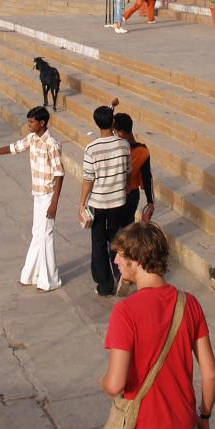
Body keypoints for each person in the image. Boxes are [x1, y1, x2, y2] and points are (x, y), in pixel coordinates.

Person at [100, 222, 215, 429]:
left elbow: (115, 384)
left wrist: (103, 381)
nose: (116, 261)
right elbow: (211, 374)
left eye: (120, 255)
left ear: (137, 260)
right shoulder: (189, 304)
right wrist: (204, 416)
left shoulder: (125, 312)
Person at [0, 105, 65, 291]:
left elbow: (59, 173)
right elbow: (13, 148)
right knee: (37, 233)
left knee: (46, 235)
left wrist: (54, 202)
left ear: (42, 123)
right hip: (37, 193)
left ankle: (49, 280)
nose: (29, 125)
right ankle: (30, 275)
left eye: (32, 122)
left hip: (48, 194)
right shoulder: (32, 138)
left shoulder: (52, 144)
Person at [79, 103, 131, 296]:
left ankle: (104, 284)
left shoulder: (92, 148)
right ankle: (121, 275)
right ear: (113, 121)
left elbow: (88, 179)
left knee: (99, 242)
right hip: (118, 200)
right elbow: (128, 171)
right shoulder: (124, 145)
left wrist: (82, 202)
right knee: (117, 239)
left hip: (98, 203)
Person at [114, 112, 155, 227]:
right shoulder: (143, 151)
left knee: (115, 228)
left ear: (121, 133)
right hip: (133, 195)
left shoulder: (116, 149)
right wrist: (150, 201)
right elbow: (147, 177)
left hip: (117, 194)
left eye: (114, 132)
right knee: (128, 225)